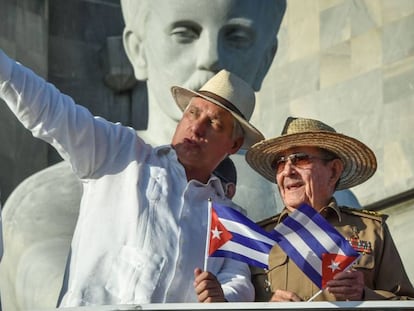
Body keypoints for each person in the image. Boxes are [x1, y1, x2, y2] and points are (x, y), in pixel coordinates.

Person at [0, 2, 287, 309]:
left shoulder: (230, 218)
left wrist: (222, 295)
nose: (196, 127)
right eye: (192, 112)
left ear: (233, 144)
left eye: (214, 123)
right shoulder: (119, 154)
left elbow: (239, 281)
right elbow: (50, 109)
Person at [245, 117, 414, 302]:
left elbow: (406, 304)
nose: (287, 171)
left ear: (333, 170)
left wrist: (363, 295)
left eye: (299, 159)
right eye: (280, 162)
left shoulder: (371, 231)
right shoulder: (256, 237)